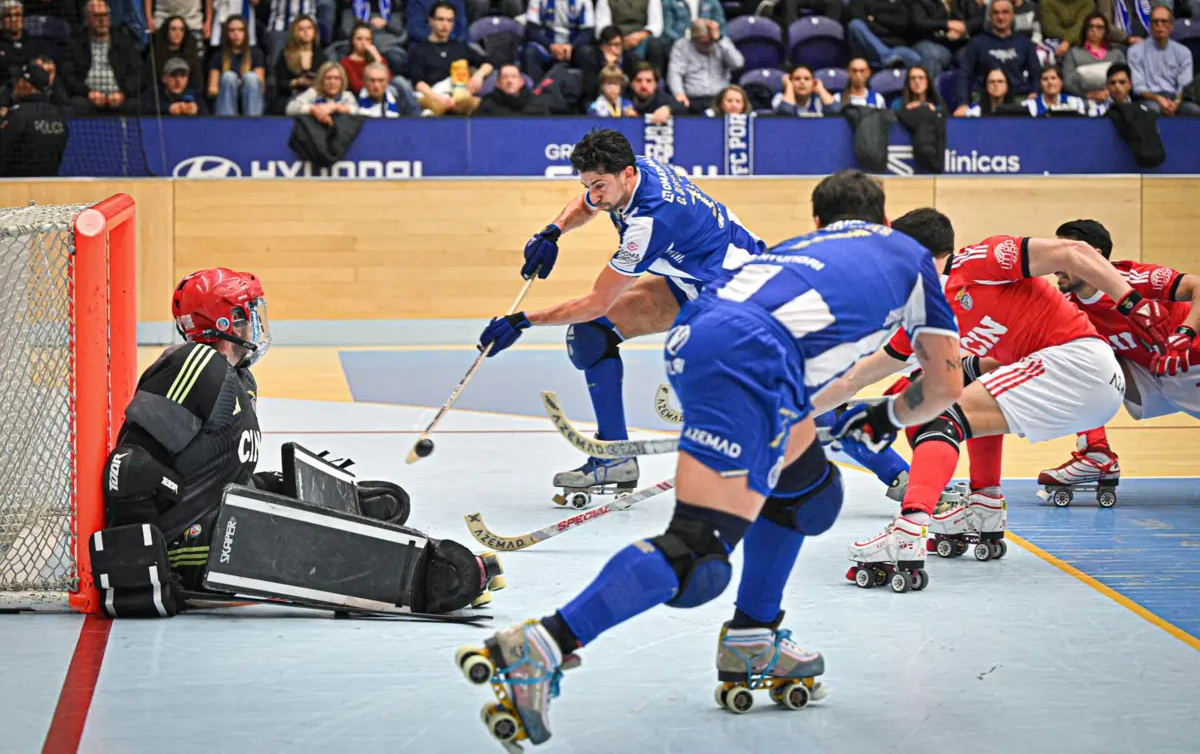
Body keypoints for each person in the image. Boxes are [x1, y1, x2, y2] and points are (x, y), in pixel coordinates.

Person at [455, 171, 965, 750]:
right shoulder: (914, 257)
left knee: (808, 492)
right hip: (753, 358)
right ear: (887, 223)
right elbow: (944, 386)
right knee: (698, 549)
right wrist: (885, 420)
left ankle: (754, 635)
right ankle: (545, 640)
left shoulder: (799, 247)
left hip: (699, 339)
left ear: (820, 221)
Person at [96, 268, 497, 617]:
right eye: (248, 314)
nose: (257, 323)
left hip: (216, 522)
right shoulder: (195, 364)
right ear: (226, 322)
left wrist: (269, 486)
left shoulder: (238, 379)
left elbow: (204, 470)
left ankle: (345, 520)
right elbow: (130, 468)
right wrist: (140, 567)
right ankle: (435, 576)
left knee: (298, 494)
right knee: (324, 544)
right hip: (194, 551)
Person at [814, 209, 1174, 579]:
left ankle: (908, 530)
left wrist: (1132, 302)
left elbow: (1075, 252)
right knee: (967, 396)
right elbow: (859, 376)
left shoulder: (979, 260)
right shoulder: (925, 311)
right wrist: (798, 408)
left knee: (940, 418)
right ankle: (984, 504)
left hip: (1077, 361)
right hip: (1081, 383)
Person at [476, 129, 764, 502]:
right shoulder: (635, 168)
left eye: (600, 186)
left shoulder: (649, 223)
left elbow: (597, 301)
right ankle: (615, 458)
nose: (594, 195)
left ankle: (857, 435)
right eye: (588, 185)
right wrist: (552, 232)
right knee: (592, 335)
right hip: (699, 280)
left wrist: (521, 320)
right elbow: (586, 204)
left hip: (741, 295)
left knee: (792, 408)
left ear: (626, 175)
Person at [1038, 219, 1200, 494]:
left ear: (1093, 257)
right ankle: (1096, 454)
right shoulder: (1069, 309)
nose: (1054, 265)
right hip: (1154, 377)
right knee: (1065, 362)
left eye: (1063, 255)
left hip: (1192, 362)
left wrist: (1186, 332)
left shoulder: (1135, 279)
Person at [0, 63, 68, 177]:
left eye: (18, 81)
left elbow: (3, 154)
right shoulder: (58, 116)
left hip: (14, 187)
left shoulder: (17, 116)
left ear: (26, 85)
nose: (15, 85)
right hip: (48, 186)